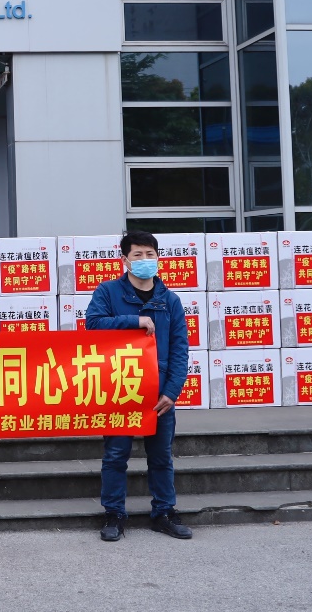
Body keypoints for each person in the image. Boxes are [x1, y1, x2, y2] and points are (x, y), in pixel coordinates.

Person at [85, 230, 192, 542]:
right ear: (125, 260)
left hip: (159, 392)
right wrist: (134, 321)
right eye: (138, 255)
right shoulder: (108, 292)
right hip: (120, 386)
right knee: (115, 455)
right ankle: (114, 514)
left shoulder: (170, 301)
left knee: (161, 457)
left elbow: (180, 349)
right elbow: (93, 325)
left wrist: (171, 392)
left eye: (150, 255)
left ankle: (164, 513)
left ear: (158, 258)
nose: (145, 260)